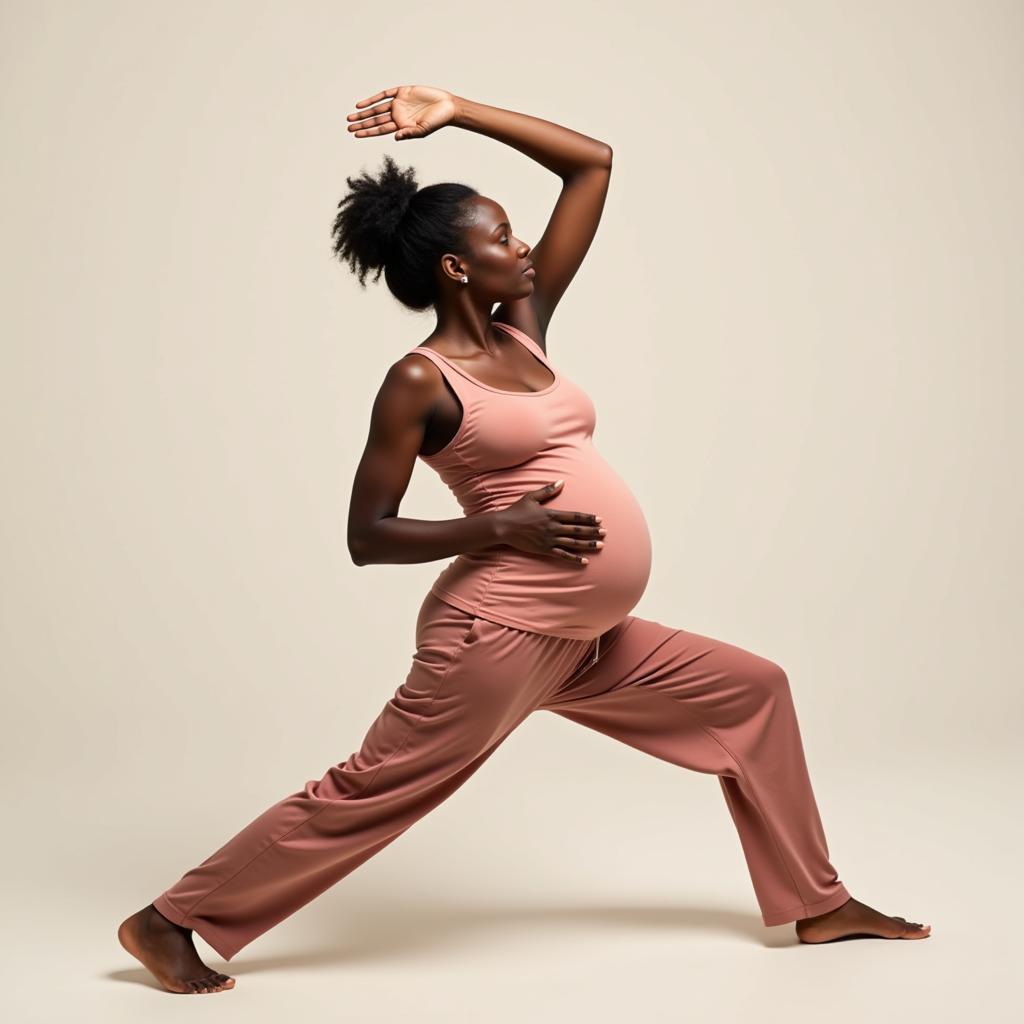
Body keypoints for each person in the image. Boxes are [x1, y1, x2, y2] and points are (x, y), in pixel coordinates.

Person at [118, 85, 930, 995]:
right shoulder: (418, 382)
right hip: (495, 636)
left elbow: (592, 163)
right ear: (459, 270)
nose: (522, 250)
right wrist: (500, 525)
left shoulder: (527, 333)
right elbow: (367, 534)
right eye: (502, 238)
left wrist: (457, 109)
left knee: (753, 690)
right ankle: (170, 920)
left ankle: (817, 903)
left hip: (586, 641)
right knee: (374, 789)